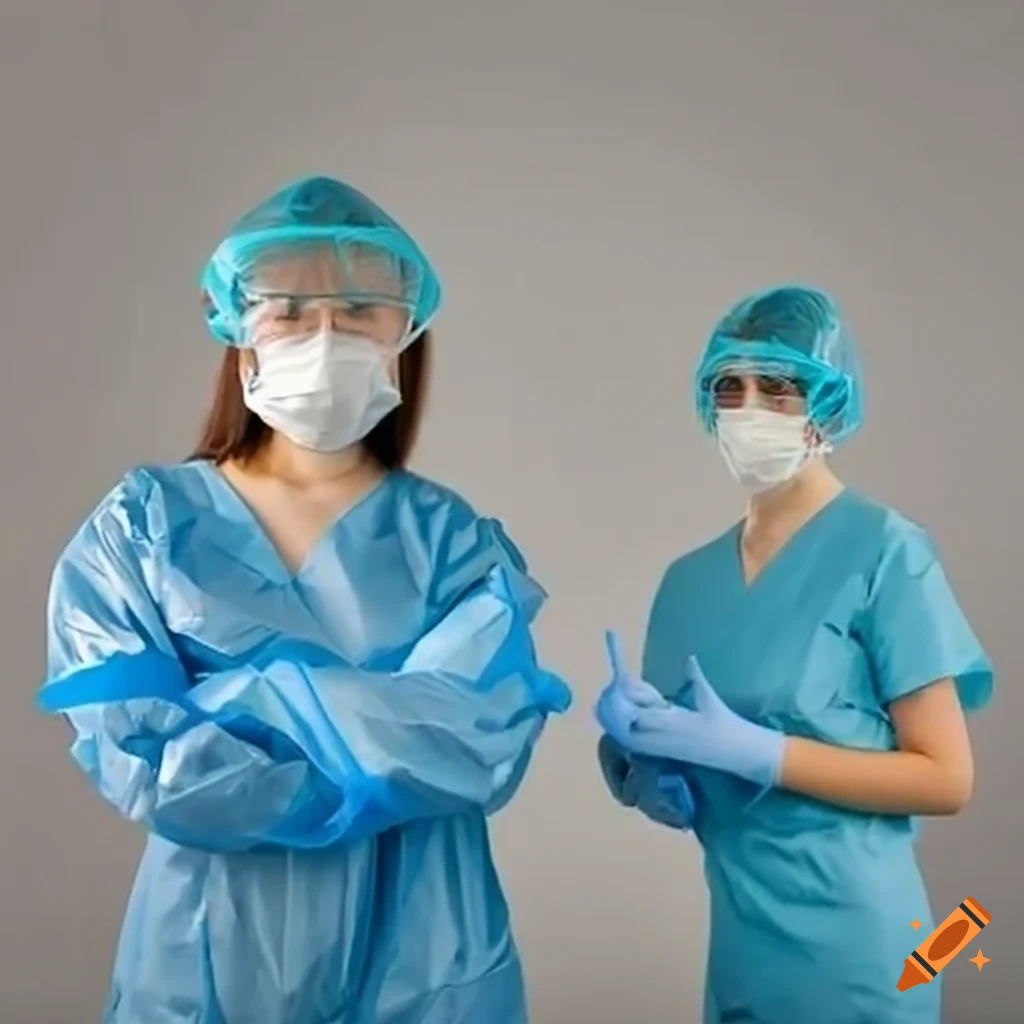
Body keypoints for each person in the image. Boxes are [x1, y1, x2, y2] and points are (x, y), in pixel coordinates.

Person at [37, 175, 572, 1024]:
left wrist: (239, 698)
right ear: (238, 328)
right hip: (203, 955)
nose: (325, 335)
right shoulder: (141, 526)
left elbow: (480, 735)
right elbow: (141, 752)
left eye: (359, 309)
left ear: (405, 331)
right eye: (289, 309)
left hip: (424, 953)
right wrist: (382, 725)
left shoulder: (452, 540)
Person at [594, 285, 993, 1024]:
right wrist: (634, 757)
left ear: (826, 402)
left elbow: (947, 778)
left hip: (860, 955)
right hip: (742, 951)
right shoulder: (686, 582)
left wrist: (763, 753)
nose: (747, 408)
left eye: (776, 388)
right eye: (729, 387)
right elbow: (683, 763)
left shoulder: (883, 551)